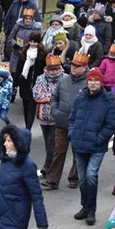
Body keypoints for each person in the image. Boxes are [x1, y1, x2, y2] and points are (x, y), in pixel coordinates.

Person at [69, 68, 115, 225]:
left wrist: (100, 139)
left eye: (96, 80)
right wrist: (72, 133)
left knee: (91, 176)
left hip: (96, 146)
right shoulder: (80, 97)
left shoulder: (108, 101)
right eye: (91, 80)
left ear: (101, 82)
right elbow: (72, 118)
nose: (93, 83)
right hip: (79, 144)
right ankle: (85, 207)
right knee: (83, 179)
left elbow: (112, 124)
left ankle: (92, 211)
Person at [41, 52, 88, 191]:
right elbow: (54, 98)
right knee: (58, 150)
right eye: (73, 65)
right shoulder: (63, 81)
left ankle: (74, 177)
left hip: (79, 125)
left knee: (77, 152)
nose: (74, 68)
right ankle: (52, 179)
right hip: (61, 122)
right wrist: (55, 112)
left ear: (84, 67)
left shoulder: (89, 83)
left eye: (77, 66)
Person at [32, 54, 65, 173]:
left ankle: (48, 166)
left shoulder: (65, 79)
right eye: (51, 69)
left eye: (56, 69)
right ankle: (50, 164)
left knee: (52, 143)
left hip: (56, 118)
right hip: (43, 116)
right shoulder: (40, 78)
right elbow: (36, 95)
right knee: (47, 143)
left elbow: (63, 97)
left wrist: (47, 96)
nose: (54, 72)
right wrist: (51, 97)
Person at [15, 32, 47, 130]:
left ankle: (28, 128)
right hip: (25, 83)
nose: (32, 44)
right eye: (31, 41)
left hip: (36, 83)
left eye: (35, 42)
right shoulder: (24, 52)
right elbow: (19, 67)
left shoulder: (42, 53)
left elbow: (44, 68)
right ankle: (27, 124)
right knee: (25, 106)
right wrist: (16, 82)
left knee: (31, 107)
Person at [7, 8, 42, 79]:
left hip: (29, 54)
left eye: (30, 18)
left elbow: (38, 41)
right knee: (15, 72)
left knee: (26, 72)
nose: (28, 20)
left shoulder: (36, 28)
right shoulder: (18, 25)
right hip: (17, 53)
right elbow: (11, 37)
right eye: (26, 18)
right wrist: (14, 44)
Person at [0, 66, 13, 134]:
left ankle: (8, 123)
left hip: (5, 104)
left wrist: (8, 100)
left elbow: (10, 93)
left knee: (3, 116)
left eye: (1, 77)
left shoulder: (9, 85)